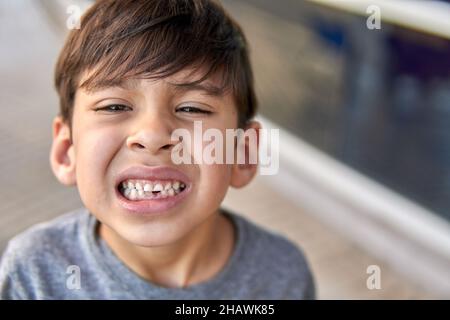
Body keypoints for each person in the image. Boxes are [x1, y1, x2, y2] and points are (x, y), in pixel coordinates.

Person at [0, 0, 315, 299]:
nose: (152, 135)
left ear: (242, 153)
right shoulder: (33, 272)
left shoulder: (282, 272)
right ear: (67, 150)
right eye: (114, 106)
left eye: (192, 108)